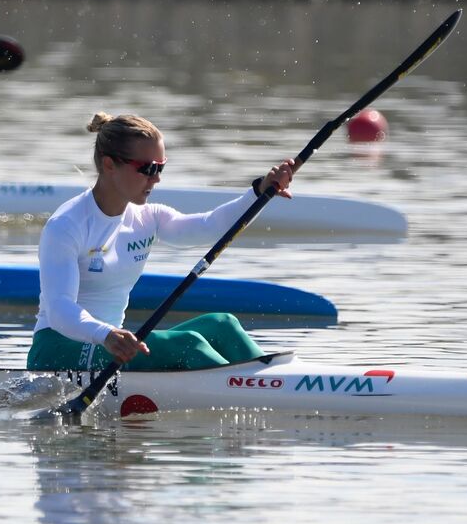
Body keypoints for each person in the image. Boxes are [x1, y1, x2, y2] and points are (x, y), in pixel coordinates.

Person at [28, 112, 295, 373]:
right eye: (148, 168)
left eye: (161, 167)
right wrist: (106, 334)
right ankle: (255, 390)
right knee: (188, 345)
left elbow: (209, 226)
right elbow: (59, 309)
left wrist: (260, 192)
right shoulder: (66, 224)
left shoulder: (147, 218)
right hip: (57, 348)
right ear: (110, 165)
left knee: (223, 325)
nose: (157, 178)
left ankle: (277, 380)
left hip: (114, 344)